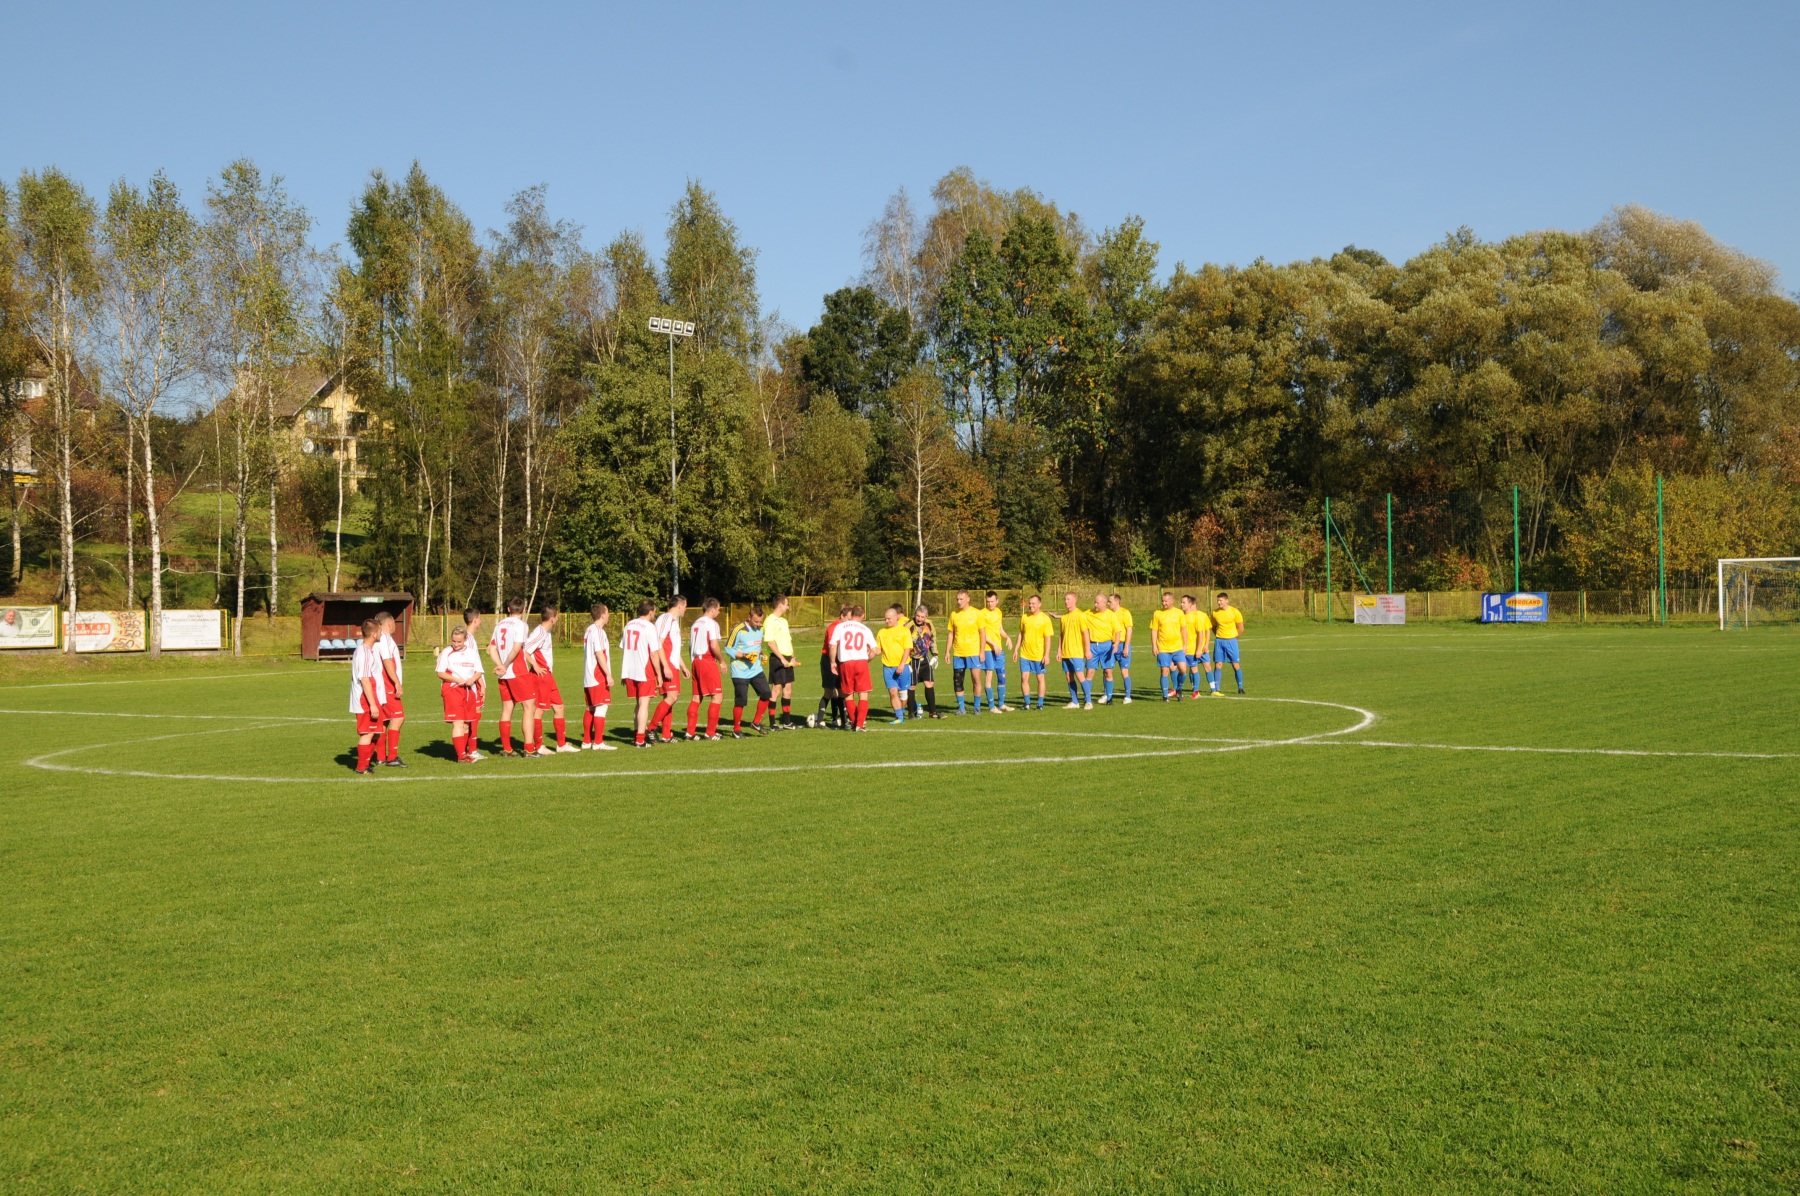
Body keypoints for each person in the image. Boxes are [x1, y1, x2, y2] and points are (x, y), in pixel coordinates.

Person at [487, 598, 536, 757]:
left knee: (507, 709)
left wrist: (500, 665)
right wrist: (506, 665)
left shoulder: (500, 624)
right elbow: (516, 648)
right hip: (517, 671)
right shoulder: (521, 625)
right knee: (529, 707)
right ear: (523, 609)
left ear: (508, 609)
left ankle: (507, 749)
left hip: (504, 675)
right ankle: (529, 749)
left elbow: (491, 648)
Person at [523, 605, 575, 754]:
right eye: (557, 617)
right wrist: (535, 666)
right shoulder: (539, 633)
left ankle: (561, 745)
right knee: (538, 711)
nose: (558, 619)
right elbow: (524, 650)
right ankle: (539, 746)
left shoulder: (547, 632)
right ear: (552, 619)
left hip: (548, 676)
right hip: (540, 676)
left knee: (559, 707)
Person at [619, 599, 667, 747]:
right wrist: (659, 674)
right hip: (644, 669)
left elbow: (624, 647)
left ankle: (637, 735)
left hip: (629, 669)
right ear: (651, 612)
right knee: (644, 704)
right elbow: (653, 653)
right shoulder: (650, 627)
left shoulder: (629, 624)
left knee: (638, 704)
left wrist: (624, 671)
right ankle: (640, 740)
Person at [435, 626, 483, 763]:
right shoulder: (446, 652)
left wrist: (472, 680)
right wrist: (458, 680)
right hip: (453, 689)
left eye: (459, 642)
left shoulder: (472, 653)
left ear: (465, 639)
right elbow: (440, 672)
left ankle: (465, 752)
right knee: (458, 722)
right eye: (454, 641)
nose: (456, 644)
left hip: (469, 690)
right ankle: (461, 756)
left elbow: (479, 671)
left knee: (467, 723)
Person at [725, 604, 773, 737]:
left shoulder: (761, 629)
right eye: (756, 621)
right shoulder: (738, 630)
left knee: (766, 694)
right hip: (739, 671)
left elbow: (757, 645)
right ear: (749, 617)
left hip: (755, 669)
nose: (758, 624)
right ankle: (736, 730)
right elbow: (728, 648)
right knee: (741, 701)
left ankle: (756, 722)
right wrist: (744, 656)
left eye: (760, 622)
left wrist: (762, 655)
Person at [349, 617, 388, 775]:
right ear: (374, 634)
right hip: (365, 699)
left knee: (376, 732)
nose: (381, 634)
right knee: (368, 732)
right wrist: (372, 704)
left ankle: (365, 764)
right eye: (380, 632)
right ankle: (361, 767)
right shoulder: (363, 652)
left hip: (372, 697)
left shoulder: (368, 651)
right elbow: (365, 679)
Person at [829, 604, 876, 731]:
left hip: (845, 662)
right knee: (863, 693)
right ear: (863, 615)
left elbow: (833, 646)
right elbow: (875, 650)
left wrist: (832, 662)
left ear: (852, 613)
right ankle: (860, 724)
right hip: (861, 662)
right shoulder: (865, 629)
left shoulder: (840, 627)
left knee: (848, 694)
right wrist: (868, 659)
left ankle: (855, 723)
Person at [685, 598, 726, 741]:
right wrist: (722, 661)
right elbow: (714, 645)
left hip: (696, 660)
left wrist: (693, 661)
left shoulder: (696, 623)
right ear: (713, 609)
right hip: (707, 660)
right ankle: (710, 732)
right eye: (718, 609)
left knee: (696, 697)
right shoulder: (711, 623)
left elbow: (690, 645)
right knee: (718, 696)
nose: (719, 612)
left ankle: (690, 732)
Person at [581, 603, 618, 750]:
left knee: (591, 707)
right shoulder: (598, 631)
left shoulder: (589, 630)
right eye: (607, 613)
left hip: (588, 675)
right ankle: (598, 742)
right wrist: (608, 674)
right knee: (602, 707)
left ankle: (586, 741)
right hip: (597, 675)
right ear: (602, 615)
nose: (608, 615)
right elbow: (599, 653)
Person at [374, 611, 406, 767]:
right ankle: (392, 757)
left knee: (384, 720)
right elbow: (387, 661)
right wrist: (396, 683)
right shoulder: (385, 638)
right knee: (398, 718)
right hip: (387, 685)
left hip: (380, 686)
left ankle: (380, 757)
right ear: (389, 623)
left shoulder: (377, 639)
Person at [811, 604, 851, 729]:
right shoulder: (833, 627)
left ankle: (843, 721)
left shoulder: (845, 627)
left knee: (841, 691)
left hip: (840, 660)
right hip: (829, 660)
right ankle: (819, 721)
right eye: (848, 619)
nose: (850, 622)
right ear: (842, 616)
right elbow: (832, 646)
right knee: (829, 691)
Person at [946, 590, 986, 714]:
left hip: (973, 652)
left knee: (976, 679)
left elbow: (982, 634)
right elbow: (951, 634)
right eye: (957, 599)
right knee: (958, 681)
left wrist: (982, 651)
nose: (959, 601)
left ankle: (977, 707)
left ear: (968, 599)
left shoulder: (977, 613)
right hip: (958, 653)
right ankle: (961, 708)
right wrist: (947, 651)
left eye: (961, 599)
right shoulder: (954, 614)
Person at [763, 595, 798, 728]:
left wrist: (793, 657)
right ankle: (772, 723)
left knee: (788, 689)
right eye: (786, 604)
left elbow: (789, 640)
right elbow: (770, 642)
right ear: (780, 605)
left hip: (787, 658)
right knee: (776, 689)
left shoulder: (784, 621)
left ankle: (787, 722)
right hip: (777, 658)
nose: (788, 607)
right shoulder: (769, 621)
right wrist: (782, 659)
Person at [876, 604, 915, 723]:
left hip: (902, 666)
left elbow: (907, 649)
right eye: (885, 619)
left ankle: (901, 711)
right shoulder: (882, 632)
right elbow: (878, 649)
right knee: (892, 692)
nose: (886, 621)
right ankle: (899, 717)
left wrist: (902, 664)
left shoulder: (904, 631)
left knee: (903, 694)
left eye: (889, 619)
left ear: (896, 617)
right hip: (887, 667)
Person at [1016, 594, 1054, 710]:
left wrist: (1046, 655)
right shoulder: (1025, 617)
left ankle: (1040, 704)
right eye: (1030, 603)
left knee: (1040, 678)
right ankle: (1027, 703)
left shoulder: (1045, 619)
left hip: (1038, 655)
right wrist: (1016, 649)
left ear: (1039, 604)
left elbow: (1048, 638)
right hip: (1025, 654)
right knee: (1024, 677)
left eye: (1033, 603)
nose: (1030, 605)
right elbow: (1021, 633)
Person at [1059, 591, 1093, 709]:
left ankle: (1088, 701)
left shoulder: (1080, 615)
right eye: (1065, 599)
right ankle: (1074, 702)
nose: (1065, 601)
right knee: (1069, 676)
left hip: (1076, 652)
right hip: (1065, 653)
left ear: (1074, 600)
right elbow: (1061, 635)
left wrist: (1087, 650)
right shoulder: (1064, 617)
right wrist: (1059, 650)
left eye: (1068, 599)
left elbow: (1085, 634)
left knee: (1080, 676)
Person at [907, 604, 941, 720]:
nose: (919, 619)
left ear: (926, 616)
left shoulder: (929, 624)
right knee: (912, 686)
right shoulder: (908, 626)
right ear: (915, 615)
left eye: (922, 617)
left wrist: (935, 655)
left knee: (930, 683)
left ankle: (933, 712)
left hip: (925, 658)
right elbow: (903, 644)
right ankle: (911, 713)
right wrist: (906, 662)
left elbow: (932, 639)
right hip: (912, 659)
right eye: (918, 616)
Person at [1149, 592, 1185, 701]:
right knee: (1164, 671)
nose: (1163, 603)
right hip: (1163, 648)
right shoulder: (1157, 613)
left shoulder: (1179, 613)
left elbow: (1183, 629)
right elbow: (1154, 630)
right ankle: (1165, 696)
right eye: (1162, 601)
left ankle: (1178, 688)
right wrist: (1154, 645)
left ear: (1172, 601)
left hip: (1177, 647)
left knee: (1183, 670)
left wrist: (1185, 645)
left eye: (1166, 601)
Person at [461, 609, 486, 757]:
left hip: (470, 681)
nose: (480, 622)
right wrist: (481, 683)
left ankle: (468, 749)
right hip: (473, 682)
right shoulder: (469, 639)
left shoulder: (467, 638)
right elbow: (472, 663)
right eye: (480, 619)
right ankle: (472, 750)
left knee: (472, 715)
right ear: (475, 620)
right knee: (474, 715)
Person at [1086, 592, 1117, 705]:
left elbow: (1117, 630)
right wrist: (1059, 617)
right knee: (1090, 672)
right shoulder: (1088, 613)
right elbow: (1075, 616)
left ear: (1104, 603)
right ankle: (1087, 699)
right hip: (1093, 646)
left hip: (1106, 645)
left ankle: (1109, 698)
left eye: (1097, 603)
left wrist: (1116, 644)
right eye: (1094, 602)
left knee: (1108, 672)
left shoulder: (1111, 615)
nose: (1095, 605)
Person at [1212, 592, 1246, 694]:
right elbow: (1213, 627)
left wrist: (1234, 638)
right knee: (1218, 664)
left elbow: (1241, 628)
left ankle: (1240, 688)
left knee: (1235, 664)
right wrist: (1219, 635)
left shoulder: (1235, 612)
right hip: (1219, 641)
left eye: (1221, 600)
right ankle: (1216, 688)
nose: (1219, 602)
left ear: (1227, 601)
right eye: (1218, 600)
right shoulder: (1215, 613)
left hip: (1231, 641)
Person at [1183, 595, 1213, 698]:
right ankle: (1194, 689)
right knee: (1190, 668)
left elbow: (1206, 631)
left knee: (1206, 666)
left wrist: (1205, 645)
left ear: (1193, 604)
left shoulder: (1201, 616)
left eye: (1185, 603)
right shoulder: (1182, 616)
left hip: (1200, 648)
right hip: (1187, 649)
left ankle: (1213, 689)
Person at [1108, 593, 1135, 704]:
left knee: (1124, 672)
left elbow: (1129, 630)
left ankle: (1128, 696)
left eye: (1110, 601)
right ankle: (1107, 695)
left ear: (1117, 602)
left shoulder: (1125, 613)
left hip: (1122, 645)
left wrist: (1126, 647)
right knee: (1107, 670)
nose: (1108, 603)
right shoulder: (1108, 613)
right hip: (1110, 645)